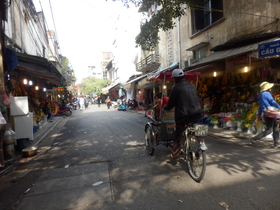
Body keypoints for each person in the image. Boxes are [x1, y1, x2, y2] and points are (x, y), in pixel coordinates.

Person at [164, 69, 202, 159]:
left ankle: (175, 154)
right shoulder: (192, 85)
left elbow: (171, 103)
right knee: (192, 132)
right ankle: (194, 149)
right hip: (196, 114)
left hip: (183, 116)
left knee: (177, 136)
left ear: (175, 78)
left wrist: (166, 107)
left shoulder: (176, 87)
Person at [250, 82, 280, 148]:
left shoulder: (261, 94)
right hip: (270, 113)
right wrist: (279, 106)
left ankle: (277, 143)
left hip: (267, 113)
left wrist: (259, 114)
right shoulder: (267, 94)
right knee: (270, 130)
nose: (271, 88)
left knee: (275, 128)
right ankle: (254, 138)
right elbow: (272, 101)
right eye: (270, 87)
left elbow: (261, 106)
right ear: (268, 88)